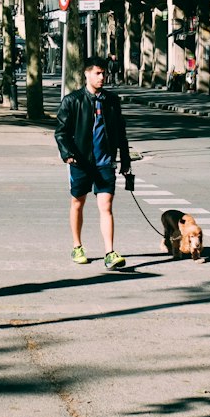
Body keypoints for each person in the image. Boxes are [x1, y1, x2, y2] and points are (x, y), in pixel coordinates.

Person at [54, 55, 132, 270]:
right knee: (77, 203)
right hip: (81, 162)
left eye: (104, 73)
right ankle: (77, 246)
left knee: (106, 206)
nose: (102, 77)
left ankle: (109, 252)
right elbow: (61, 132)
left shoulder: (111, 101)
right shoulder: (72, 101)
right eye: (98, 73)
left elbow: (120, 132)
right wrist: (67, 153)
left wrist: (125, 159)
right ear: (86, 74)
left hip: (105, 162)